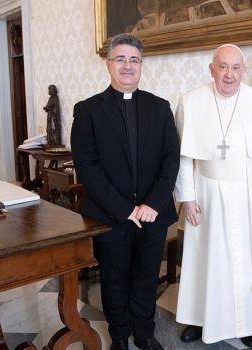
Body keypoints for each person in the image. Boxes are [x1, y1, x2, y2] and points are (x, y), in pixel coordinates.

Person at [174, 44, 252, 347]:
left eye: (235, 67)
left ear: (244, 70)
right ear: (211, 69)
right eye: (222, 67)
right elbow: (183, 158)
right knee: (207, 260)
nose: (229, 74)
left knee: (249, 258)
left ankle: (247, 323)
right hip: (208, 194)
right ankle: (200, 319)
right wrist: (187, 197)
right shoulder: (191, 102)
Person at [71, 34, 179, 350]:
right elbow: (87, 167)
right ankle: (119, 335)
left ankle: (144, 334)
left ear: (141, 65)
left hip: (152, 214)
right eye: (121, 59)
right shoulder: (88, 110)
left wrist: (153, 204)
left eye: (134, 60)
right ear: (109, 65)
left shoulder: (160, 108)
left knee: (147, 277)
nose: (128, 66)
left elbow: (171, 159)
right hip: (109, 215)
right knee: (115, 280)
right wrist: (126, 210)